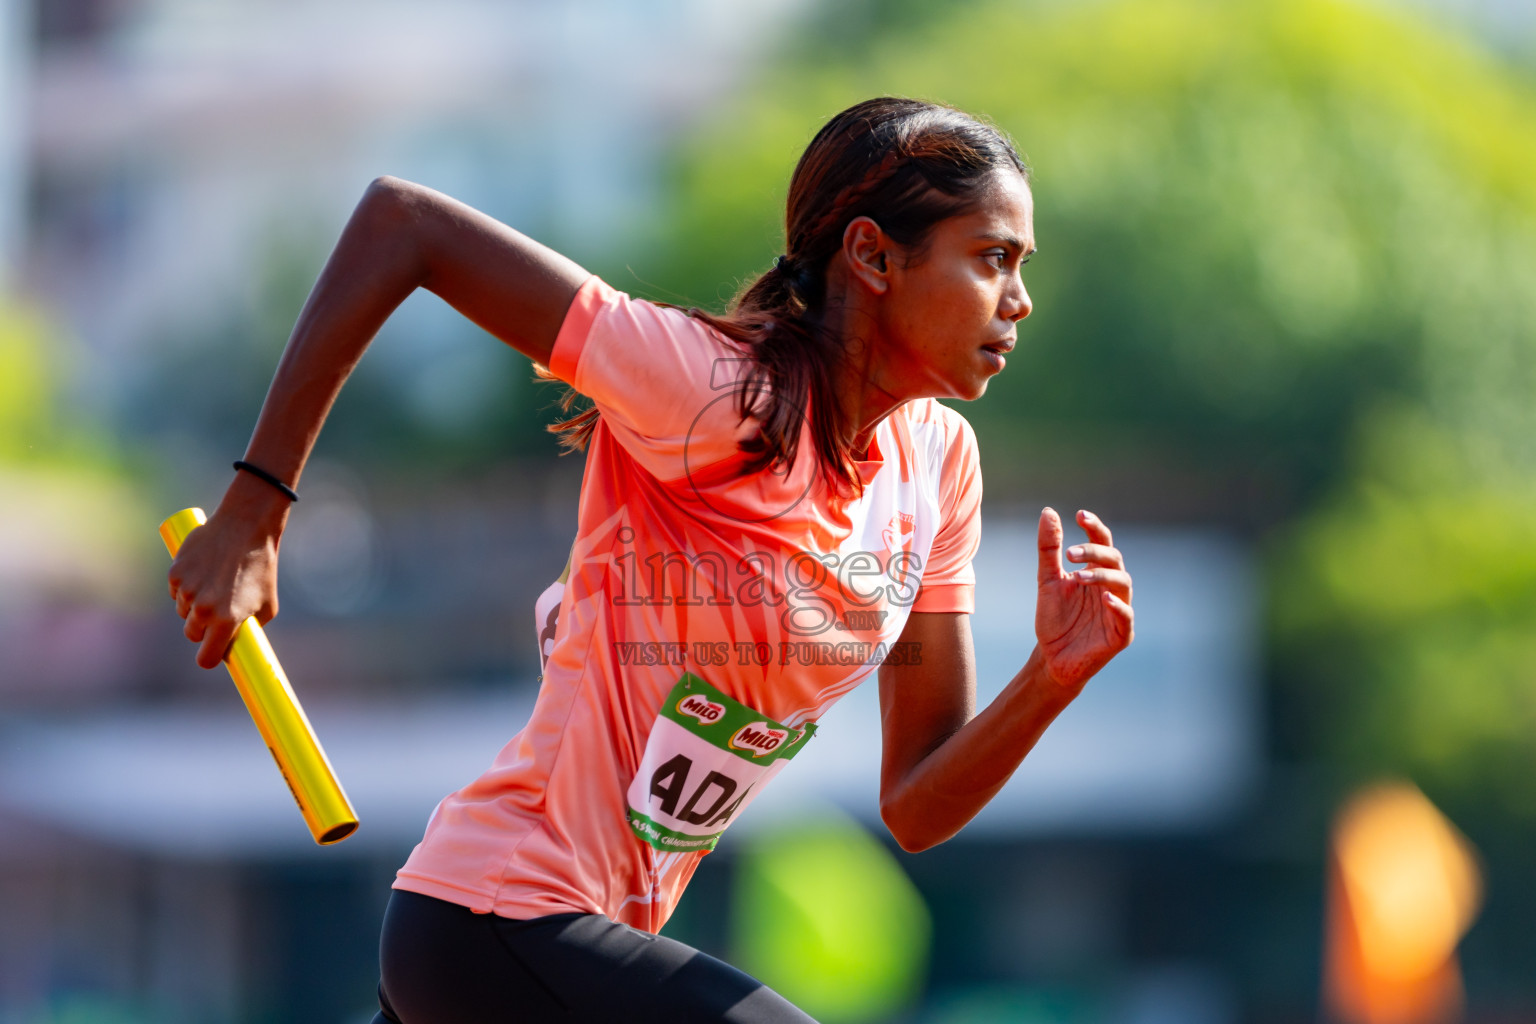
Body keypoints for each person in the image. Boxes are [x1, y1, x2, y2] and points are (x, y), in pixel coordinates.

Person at [167, 97, 1135, 1023]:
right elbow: (402, 225)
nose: (1021, 299)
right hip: (496, 917)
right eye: (992, 258)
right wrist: (257, 507)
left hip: (559, 958)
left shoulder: (938, 468)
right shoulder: (711, 394)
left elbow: (918, 800)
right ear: (874, 256)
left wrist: (1050, 678)